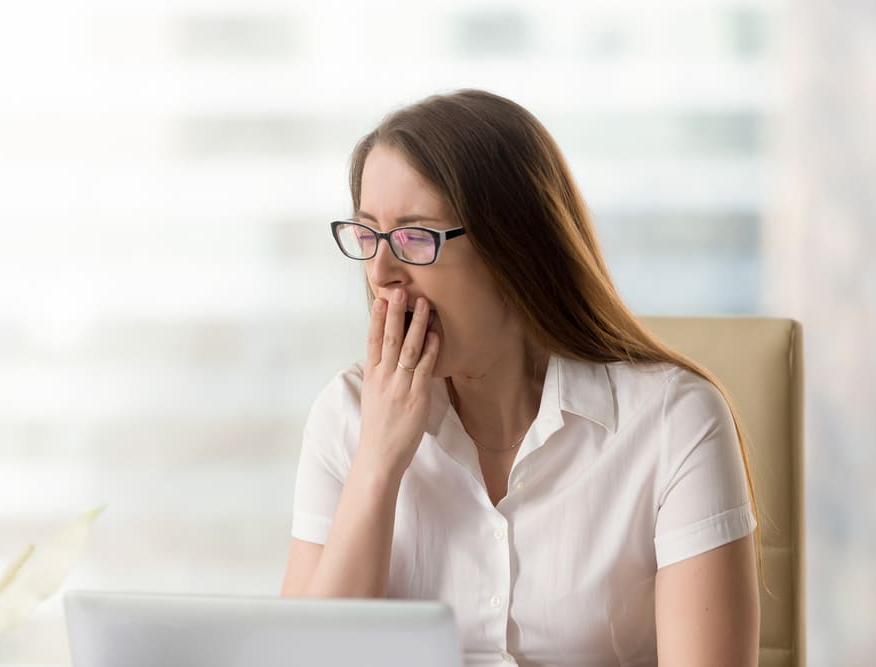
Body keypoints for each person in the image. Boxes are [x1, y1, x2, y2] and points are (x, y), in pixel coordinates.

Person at [281, 89, 760, 666]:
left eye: (415, 237)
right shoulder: (345, 415)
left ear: (513, 248)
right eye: (368, 235)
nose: (381, 272)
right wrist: (377, 464)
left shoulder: (673, 421)